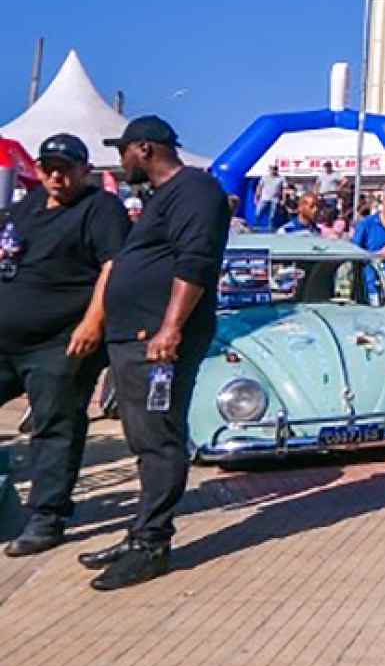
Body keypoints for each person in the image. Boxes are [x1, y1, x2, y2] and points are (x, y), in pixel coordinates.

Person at [82, 116, 230, 591]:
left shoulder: (196, 190)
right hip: (135, 336)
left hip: (157, 339)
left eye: (124, 150)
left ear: (144, 148)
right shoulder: (163, 197)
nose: (122, 160)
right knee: (144, 439)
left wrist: (169, 329)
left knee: (160, 438)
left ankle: (151, 545)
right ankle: (138, 532)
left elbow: (196, 260)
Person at [0, 135, 130, 558]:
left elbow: (114, 266)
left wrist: (93, 322)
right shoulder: (24, 210)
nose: (56, 175)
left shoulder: (99, 208)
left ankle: (47, 516)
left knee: (55, 427)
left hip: (60, 341)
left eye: (66, 167)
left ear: (83, 169)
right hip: (7, 340)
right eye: (48, 167)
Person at [252, 162, 282, 231]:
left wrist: (282, 199)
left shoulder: (280, 178)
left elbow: (283, 189)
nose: (273, 171)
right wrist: (256, 197)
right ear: (270, 170)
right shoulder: (264, 177)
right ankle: (255, 227)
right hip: (264, 198)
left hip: (275, 199)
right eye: (272, 169)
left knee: (272, 215)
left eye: (275, 169)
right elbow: (259, 187)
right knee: (258, 213)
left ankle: (270, 228)